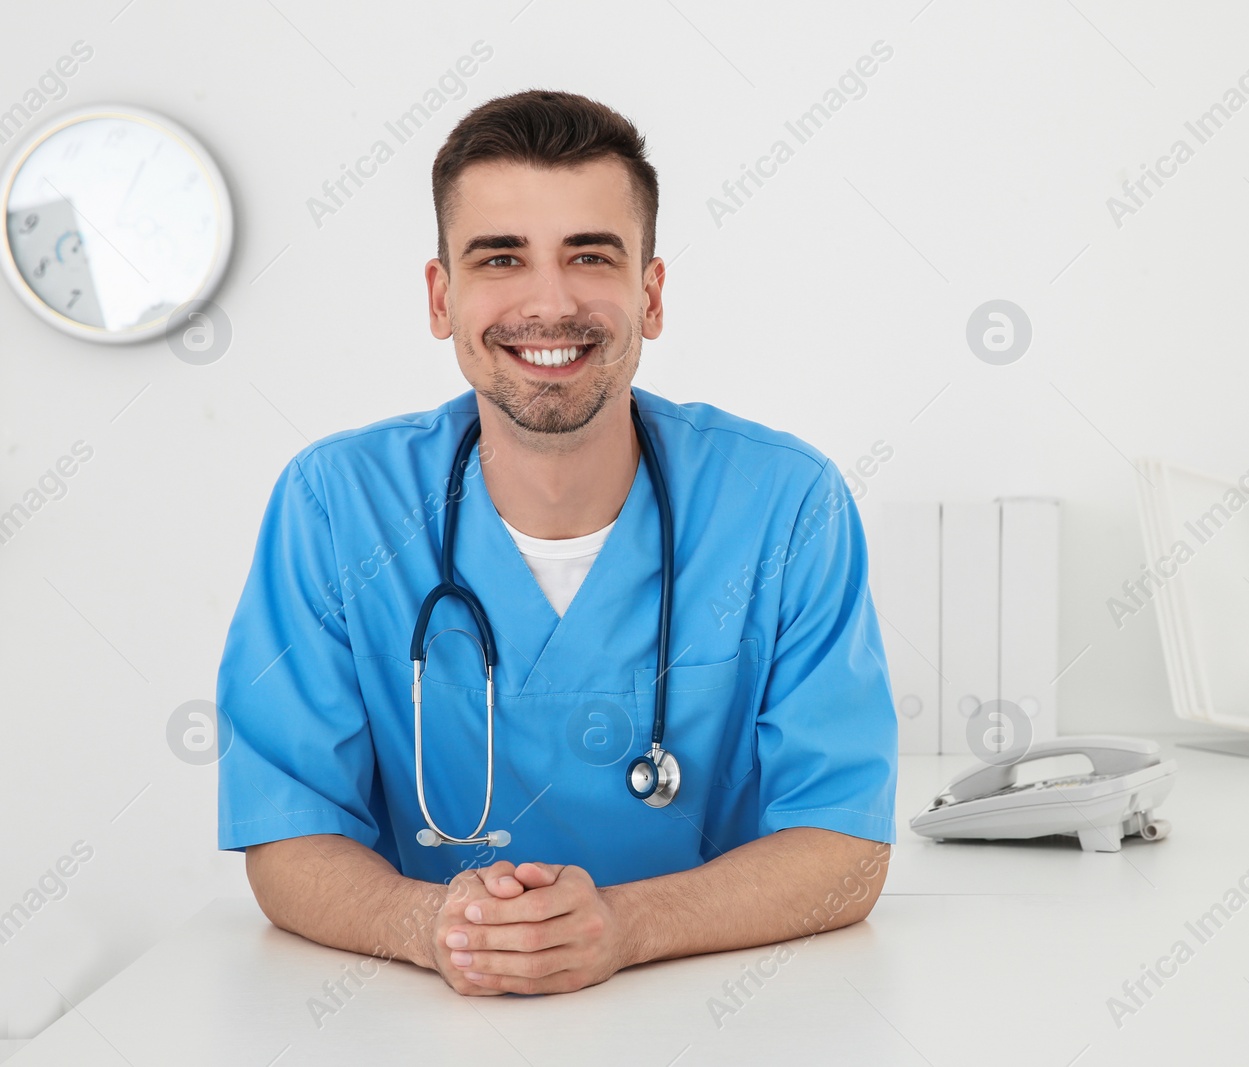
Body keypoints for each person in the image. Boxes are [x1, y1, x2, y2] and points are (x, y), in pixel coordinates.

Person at [215, 89, 897, 996]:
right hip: (416, 1028)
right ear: (441, 295)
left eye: (591, 254)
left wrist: (626, 924)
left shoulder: (785, 504)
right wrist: (434, 927)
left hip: (721, 1015)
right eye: (502, 257)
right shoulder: (338, 504)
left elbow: (846, 846)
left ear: (649, 296)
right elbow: (288, 835)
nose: (550, 301)